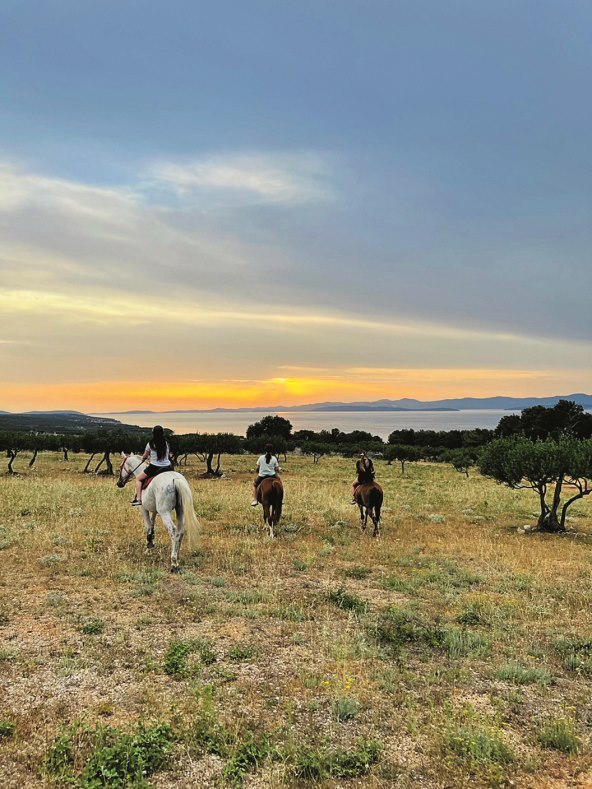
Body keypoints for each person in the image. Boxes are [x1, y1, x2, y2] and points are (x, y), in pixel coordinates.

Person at [132, 425, 174, 506]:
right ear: (162, 433)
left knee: (138, 479)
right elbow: (167, 454)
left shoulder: (150, 444)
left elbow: (145, 455)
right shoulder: (166, 443)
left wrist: (143, 459)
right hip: (168, 466)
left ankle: (139, 499)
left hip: (154, 467)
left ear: (153, 433)